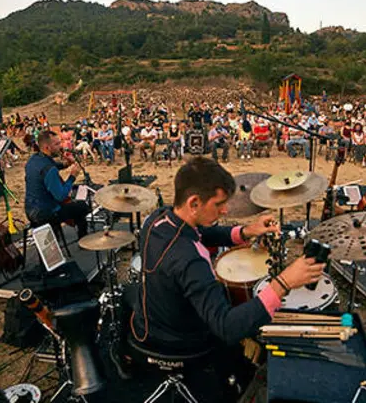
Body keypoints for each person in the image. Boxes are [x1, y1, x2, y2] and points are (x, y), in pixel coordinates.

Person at [130, 157, 326, 401]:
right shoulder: (190, 262)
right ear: (194, 203)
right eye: (219, 204)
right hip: (175, 340)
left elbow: (198, 233)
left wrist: (244, 232)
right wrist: (283, 283)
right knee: (240, 319)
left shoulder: (158, 219)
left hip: (150, 319)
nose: (225, 210)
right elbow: (227, 327)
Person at [24, 130, 90, 237]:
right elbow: (61, 196)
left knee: (74, 205)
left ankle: (59, 233)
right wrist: (72, 176)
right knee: (82, 207)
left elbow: (53, 165)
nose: (61, 146)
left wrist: (66, 164)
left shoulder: (33, 159)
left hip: (30, 209)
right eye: (57, 144)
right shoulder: (49, 169)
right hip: (44, 213)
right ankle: (83, 239)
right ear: (47, 147)